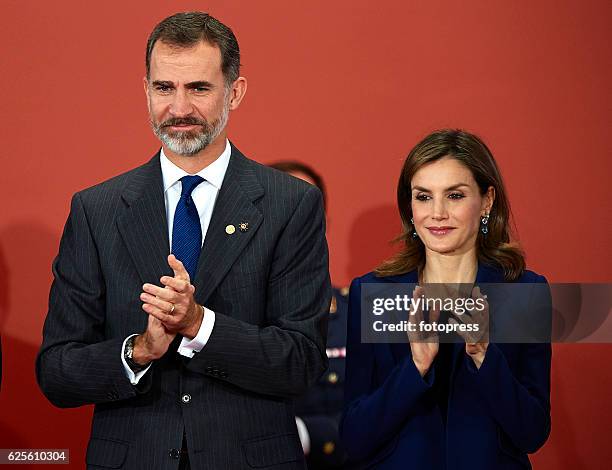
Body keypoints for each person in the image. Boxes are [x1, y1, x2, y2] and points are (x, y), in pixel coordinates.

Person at [36, 12, 330, 470]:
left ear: (235, 92)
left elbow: (302, 361)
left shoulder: (290, 204)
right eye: (163, 88)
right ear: (146, 90)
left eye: (198, 88)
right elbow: (56, 372)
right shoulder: (97, 210)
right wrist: (140, 350)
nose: (178, 109)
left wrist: (200, 325)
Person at [340, 129, 552, 469]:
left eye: (454, 195)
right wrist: (415, 368)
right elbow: (354, 436)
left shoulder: (524, 294)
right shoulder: (372, 293)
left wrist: (485, 357)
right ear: (409, 206)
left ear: (487, 200)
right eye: (423, 197)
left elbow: (532, 433)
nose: (437, 213)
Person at [269, 161, 348, 469]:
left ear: (324, 223)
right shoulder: (220, 322)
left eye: (305, 213)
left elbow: (389, 414)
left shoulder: (363, 309)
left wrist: (305, 435)